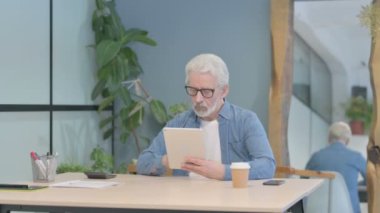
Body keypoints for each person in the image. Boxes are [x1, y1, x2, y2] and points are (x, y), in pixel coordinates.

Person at [136, 53, 276, 180]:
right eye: (193, 90)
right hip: (187, 202)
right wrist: (169, 160)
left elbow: (267, 165)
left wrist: (224, 172)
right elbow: (143, 162)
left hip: (231, 202)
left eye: (206, 91)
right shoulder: (180, 122)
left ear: (224, 90)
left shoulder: (246, 121)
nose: (198, 99)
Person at [305, 121, 366, 213]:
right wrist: (353, 185)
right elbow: (373, 180)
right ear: (348, 140)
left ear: (329, 138)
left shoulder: (316, 157)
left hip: (317, 210)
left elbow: (304, 181)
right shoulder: (356, 157)